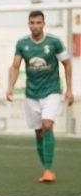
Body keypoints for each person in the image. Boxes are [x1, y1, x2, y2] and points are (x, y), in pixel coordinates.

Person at [6, 10, 74, 183]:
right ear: (28, 24)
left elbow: (66, 64)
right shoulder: (22, 43)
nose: (35, 26)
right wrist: (10, 87)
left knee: (47, 125)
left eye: (38, 22)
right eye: (32, 23)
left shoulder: (54, 42)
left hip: (51, 91)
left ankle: (48, 169)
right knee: (38, 132)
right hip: (31, 94)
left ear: (44, 23)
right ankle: (46, 168)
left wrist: (69, 89)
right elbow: (15, 66)